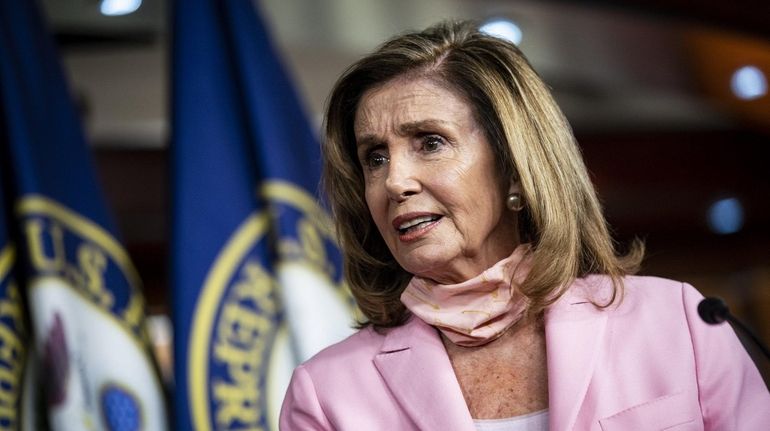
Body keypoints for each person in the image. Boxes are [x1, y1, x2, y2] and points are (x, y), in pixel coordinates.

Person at [279, 20, 770, 430]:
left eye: (429, 142)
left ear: (516, 169)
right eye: (376, 157)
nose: (394, 181)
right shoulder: (327, 394)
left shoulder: (681, 321)